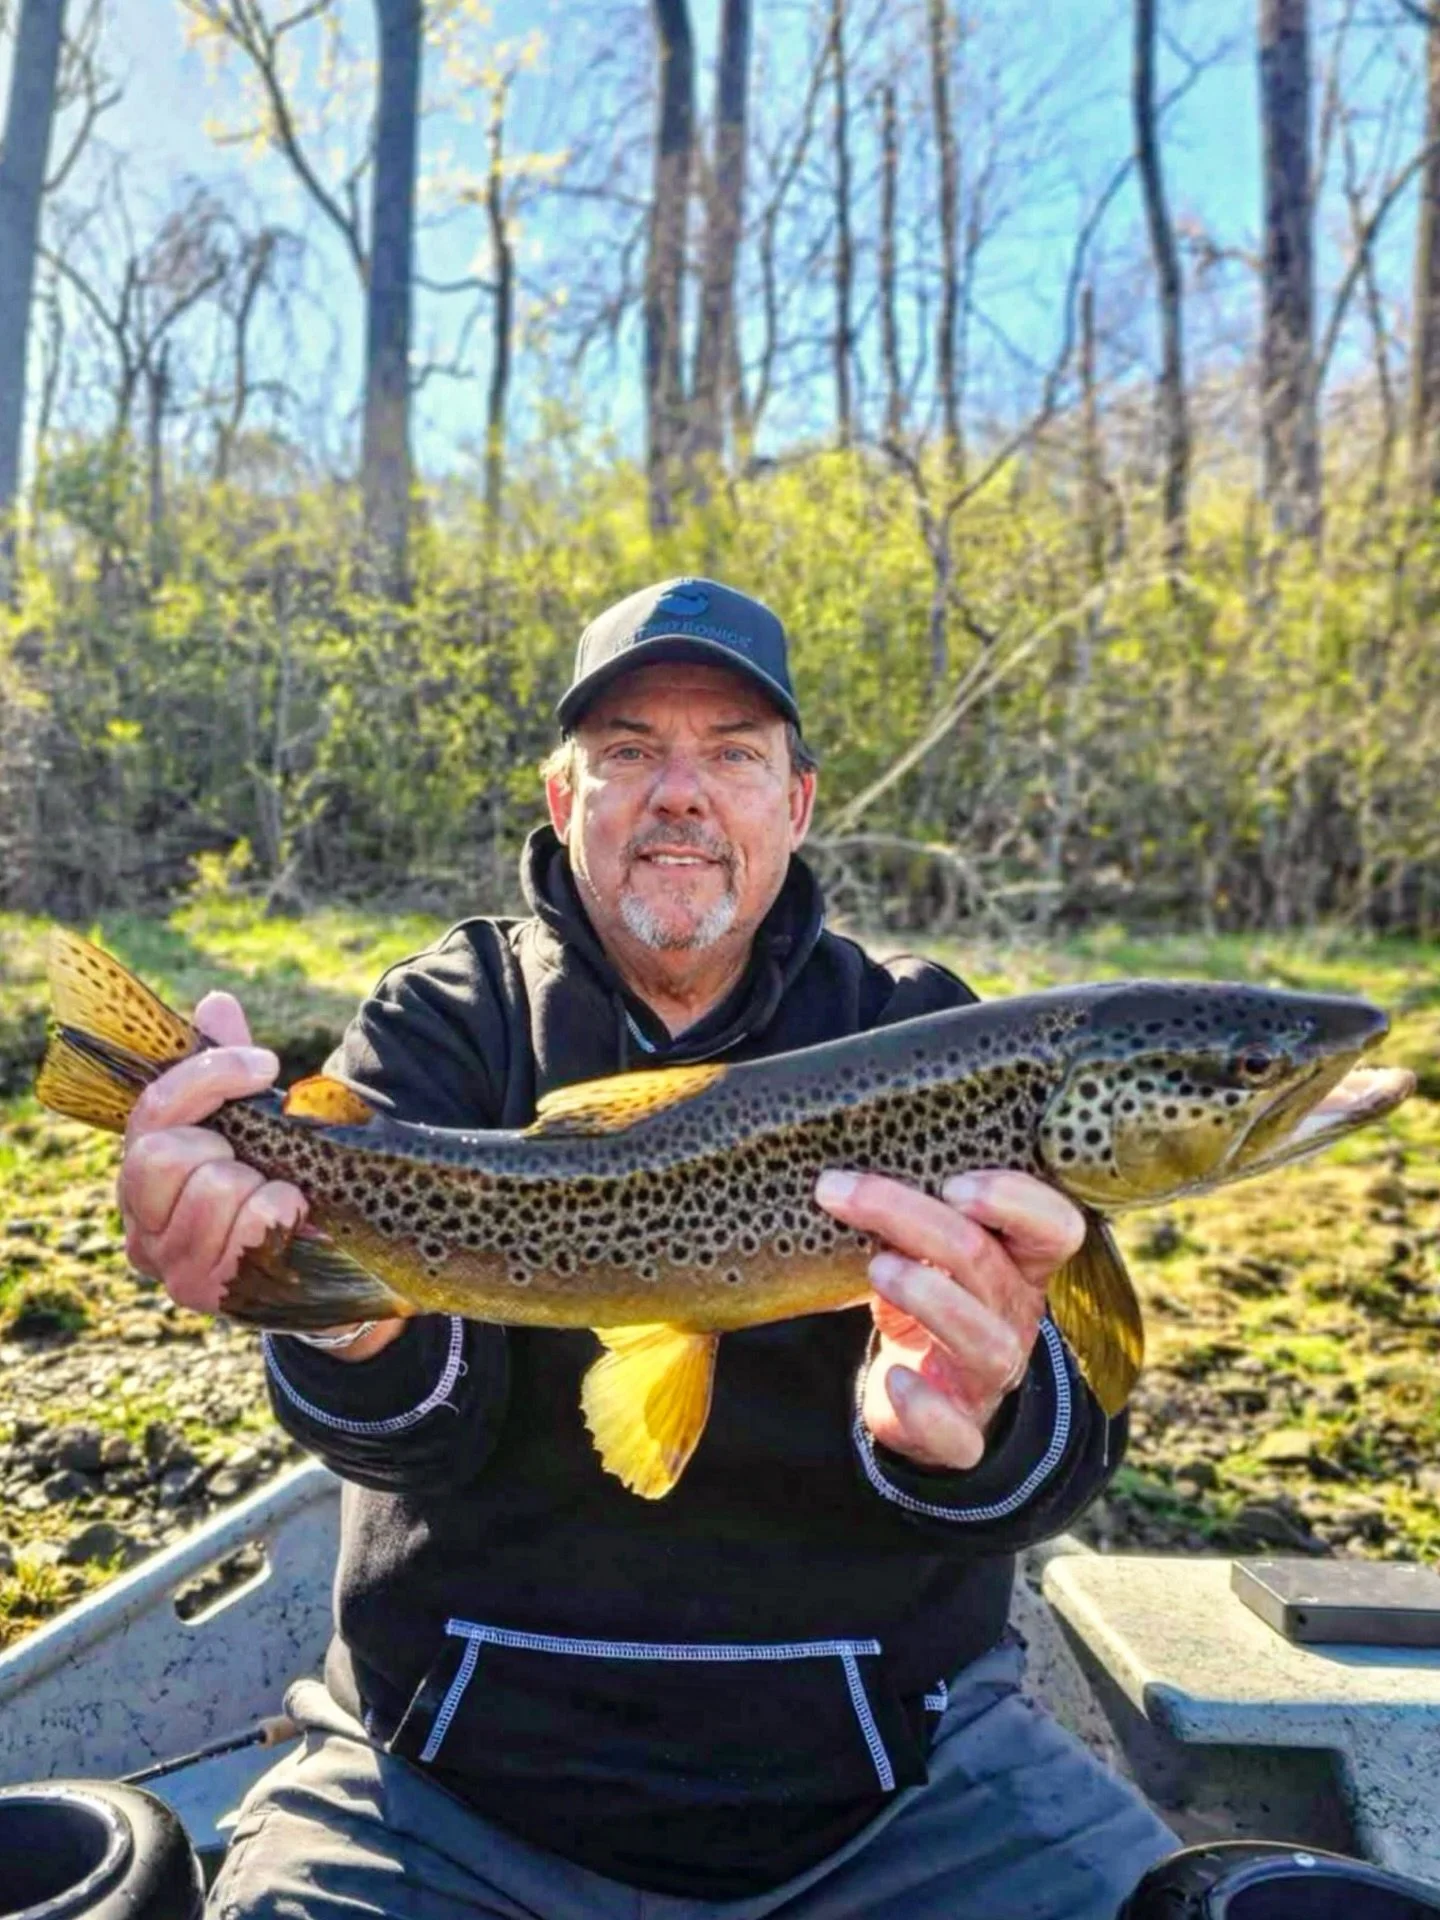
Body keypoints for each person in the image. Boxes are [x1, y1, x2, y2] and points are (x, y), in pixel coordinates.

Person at [119, 578, 1177, 1920]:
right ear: (564, 799)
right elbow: (397, 1438)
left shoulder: (929, 1038)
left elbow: (1064, 1460)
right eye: (629, 751)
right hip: (447, 1782)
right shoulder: (446, 1020)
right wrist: (326, 1309)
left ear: (796, 804)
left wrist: (981, 1417)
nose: (680, 792)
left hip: (898, 1787)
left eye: (732, 754)